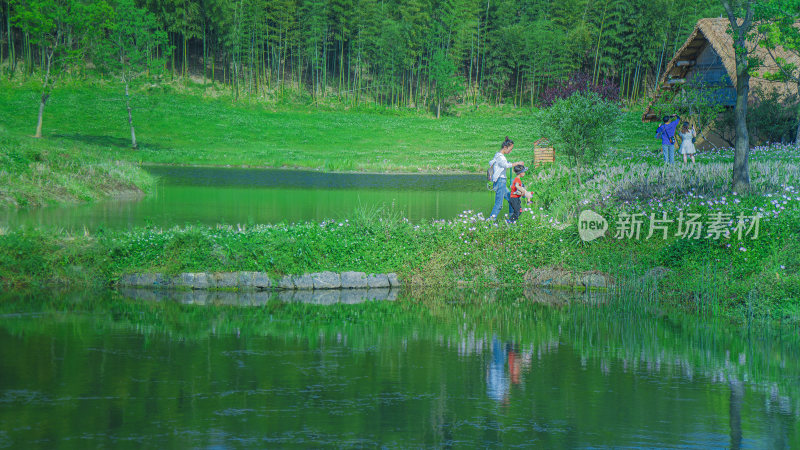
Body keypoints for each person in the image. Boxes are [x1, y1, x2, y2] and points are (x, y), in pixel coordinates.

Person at [488, 137, 524, 220]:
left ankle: (512, 219)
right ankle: (489, 223)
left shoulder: (499, 156)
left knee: (511, 199)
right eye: (510, 149)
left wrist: (514, 164)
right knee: (499, 205)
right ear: (505, 147)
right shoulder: (500, 157)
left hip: (502, 182)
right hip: (500, 182)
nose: (510, 151)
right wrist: (517, 163)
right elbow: (506, 165)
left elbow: (506, 163)